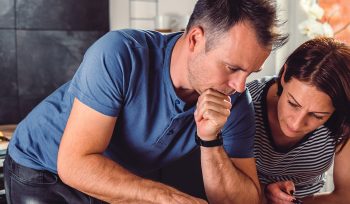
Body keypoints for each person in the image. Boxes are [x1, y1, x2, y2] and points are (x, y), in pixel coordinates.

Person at [4, 0, 287, 203]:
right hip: (43, 167)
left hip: (111, 176)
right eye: (232, 67)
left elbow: (246, 200)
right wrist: (165, 196)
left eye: (250, 72)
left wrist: (210, 139)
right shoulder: (119, 54)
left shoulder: (235, 99)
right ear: (195, 40)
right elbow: (75, 164)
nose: (239, 85)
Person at [247, 37, 350, 204]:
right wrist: (264, 193)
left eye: (317, 115)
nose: (296, 124)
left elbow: (345, 196)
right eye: (292, 103)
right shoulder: (246, 104)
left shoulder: (344, 120)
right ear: (284, 75)